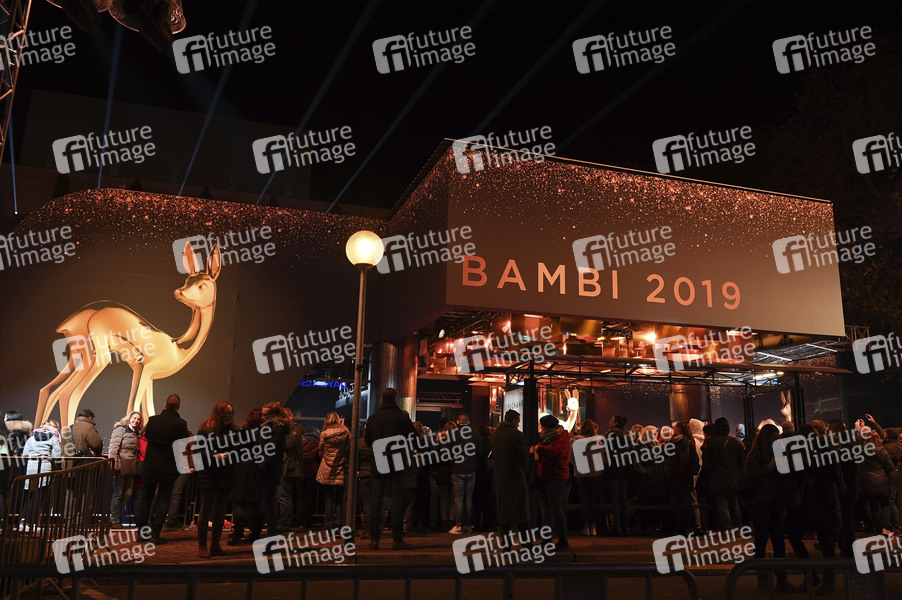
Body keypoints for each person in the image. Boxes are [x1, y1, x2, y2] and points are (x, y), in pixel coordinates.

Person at [744, 423, 796, 593]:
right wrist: (768, 468)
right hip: (761, 502)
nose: (777, 441)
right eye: (774, 438)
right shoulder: (756, 454)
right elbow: (749, 474)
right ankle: (764, 579)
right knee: (761, 539)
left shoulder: (779, 452)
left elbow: (785, 478)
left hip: (774, 501)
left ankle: (781, 579)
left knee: (778, 541)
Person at [364, 388, 416, 550]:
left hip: (379, 460)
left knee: (376, 501)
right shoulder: (402, 418)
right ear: (395, 398)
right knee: (397, 501)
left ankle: (374, 539)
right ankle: (397, 538)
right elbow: (413, 439)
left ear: (382, 398)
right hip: (397, 461)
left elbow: (368, 440)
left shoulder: (373, 418)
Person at [135, 394, 189, 543]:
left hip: (150, 465)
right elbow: (183, 444)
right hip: (168, 466)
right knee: (164, 498)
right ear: (178, 407)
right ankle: (155, 534)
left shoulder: (153, 420)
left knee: (145, 498)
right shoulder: (181, 424)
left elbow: (148, 436)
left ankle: (142, 533)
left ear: (165, 404)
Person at [195, 401, 238, 557]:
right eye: (227, 413)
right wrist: (215, 456)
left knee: (220, 512)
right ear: (219, 413)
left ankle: (215, 544)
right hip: (209, 474)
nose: (230, 416)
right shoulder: (205, 430)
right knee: (206, 510)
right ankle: (202, 545)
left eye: (231, 413)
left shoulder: (233, 430)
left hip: (225, 475)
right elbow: (199, 452)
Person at [530, 414, 571, 551]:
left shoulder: (562, 437)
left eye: (542, 426)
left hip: (557, 476)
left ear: (547, 427)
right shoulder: (545, 437)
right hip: (544, 475)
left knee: (555, 508)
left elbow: (558, 453)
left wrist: (540, 449)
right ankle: (547, 539)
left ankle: (563, 539)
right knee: (546, 509)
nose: (541, 429)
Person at [229, 408, 265, 545]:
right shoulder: (265, 435)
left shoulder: (242, 434)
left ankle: (237, 534)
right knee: (256, 504)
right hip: (257, 470)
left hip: (241, 470)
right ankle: (255, 534)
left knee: (239, 502)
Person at [492, 410, 530, 537]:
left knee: (504, 513)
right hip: (516, 477)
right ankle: (526, 544)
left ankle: (506, 543)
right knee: (521, 513)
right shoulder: (517, 435)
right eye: (518, 422)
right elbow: (523, 458)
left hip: (501, 477)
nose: (518, 424)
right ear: (514, 421)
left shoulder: (495, 434)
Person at [22, 419, 62, 529]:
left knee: (30, 495)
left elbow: (25, 453)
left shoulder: (32, 437)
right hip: (44, 467)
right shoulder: (53, 438)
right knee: (39, 495)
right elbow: (57, 456)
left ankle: (23, 520)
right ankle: (31, 523)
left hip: (31, 467)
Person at [259, 402, 291, 536]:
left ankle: (271, 534)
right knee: (269, 503)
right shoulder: (277, 428)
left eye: (265, 415)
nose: (262, 418)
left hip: (269, 470)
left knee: (269, 504)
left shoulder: (276, 429)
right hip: (271, 469)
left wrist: (260, 466)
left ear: (273, 415)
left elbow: (270, 450)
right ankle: (270, 534)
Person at [108, 411, 143, 528]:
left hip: (131, 467)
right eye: (134, 418)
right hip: (120, 466)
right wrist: (114, 466)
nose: (136, 420)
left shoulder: (135, 433)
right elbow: (114, 448)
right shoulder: (120, 429)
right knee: (118, 493)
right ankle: (115, 520)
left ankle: (114, 517)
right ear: (129, 418)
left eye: (138, 419)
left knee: (127, 493)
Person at [317, 412, 350, 527]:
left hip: (327, 467)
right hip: (340, 467)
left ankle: (329, 525)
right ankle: (339, 523)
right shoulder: (345, 432)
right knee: (340, 499)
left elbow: (321, 448)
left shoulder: (324, 433)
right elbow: (348, 447)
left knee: (329, 499)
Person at [449, 414, 480, 534]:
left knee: (458, 498)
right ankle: (467, 525)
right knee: (468, 498)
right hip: (471, 469)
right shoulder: (475, 434)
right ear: (469, 422)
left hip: (457, 469)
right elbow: (480, 451)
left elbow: (448, 451)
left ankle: (458, 525)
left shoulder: (453, 434)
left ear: (458, 421)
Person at [570, 419, 603, 536]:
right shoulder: (597, 441)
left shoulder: (576, 441)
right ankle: (593, 528)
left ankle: (586, 527)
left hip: (581, 474)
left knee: (584, 501)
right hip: (595, 474)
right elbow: (602, 458)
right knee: (593, 501)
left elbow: (571, 459)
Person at [604, 415, 631, 536]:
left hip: (613, 469)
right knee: (624, 499)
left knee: (614, 500)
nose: (609, 421)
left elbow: (606, 451)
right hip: (624, 470)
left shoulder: (610, 435)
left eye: (611, 420)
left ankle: (617, 526)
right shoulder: (627, 435)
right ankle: (626, 527)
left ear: (615, 423)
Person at [277, 417, 305, 532]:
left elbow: (288, 445)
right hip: (289, 467)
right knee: (285, 496)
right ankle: (285, 522)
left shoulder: (294, 431)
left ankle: (285, 523)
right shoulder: (295, 430)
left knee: (284, 496)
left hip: (288, 467)